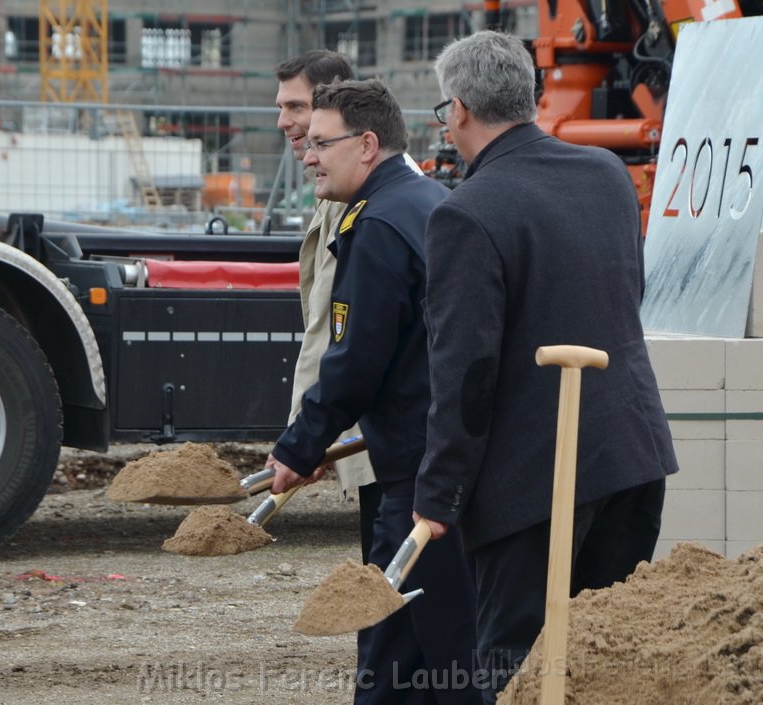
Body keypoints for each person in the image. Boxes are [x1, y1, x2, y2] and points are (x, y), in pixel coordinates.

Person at [412, 30, 679, 703]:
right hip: (630, 457)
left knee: (520, 671)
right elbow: (623, 294)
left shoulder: (466, 213)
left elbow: (465, 373)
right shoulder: (606, 175)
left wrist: (439, 492)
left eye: (444, 109)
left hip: (534, 486)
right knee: (608, 662)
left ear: (461, 109)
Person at [268, 79, 480, 705]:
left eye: (319, 143)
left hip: (415, 474)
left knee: (400, 657)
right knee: (437, 642)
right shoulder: (427, 201)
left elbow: (356, 361)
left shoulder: (380, 225)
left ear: (366, 144)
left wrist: (299, 446)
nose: (307, 156)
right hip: (447, 460)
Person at [273, 51, 381, 564]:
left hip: (380, 440)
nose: (284, 122)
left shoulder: (358, 206)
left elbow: (338, 336)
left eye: (295, 106)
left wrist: (303, 438)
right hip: (365, 432)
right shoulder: (335, 198)